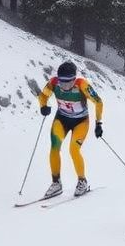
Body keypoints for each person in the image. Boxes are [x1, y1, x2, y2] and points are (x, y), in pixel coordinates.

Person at [37, 60, 104, 199]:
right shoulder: (54, 83)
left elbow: (98, 102)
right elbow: (43, 95)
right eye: (62, 82)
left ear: (74, 79)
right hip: (62, 119)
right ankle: (56, 183)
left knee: (73, 149)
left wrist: (98, 124)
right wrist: (43, 106)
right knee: (54, 148)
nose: (65, 85)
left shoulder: (82, 85)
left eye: (68, 82)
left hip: (81, 122)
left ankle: (82, 181)